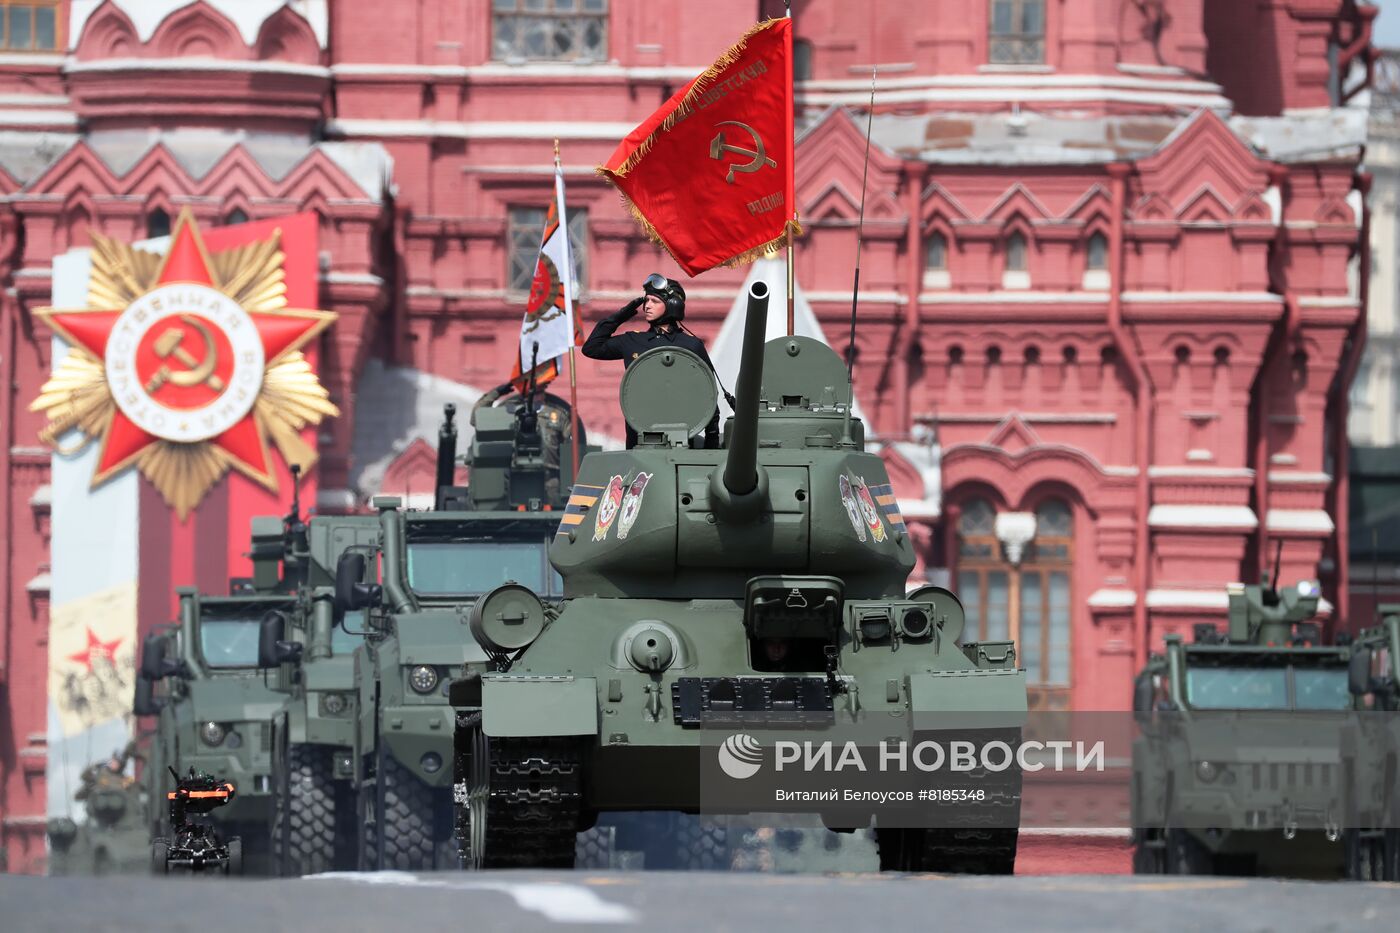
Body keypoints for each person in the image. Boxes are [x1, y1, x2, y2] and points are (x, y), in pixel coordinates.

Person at [581, 274, 722, 448]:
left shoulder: (691, 345)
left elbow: (708, 394)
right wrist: (622, 315)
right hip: (638, 443)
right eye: (646, 301)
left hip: (683, 442)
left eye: (654, 301)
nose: (647, 306)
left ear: (672, 306)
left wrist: (711, 445)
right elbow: (591, 348)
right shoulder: (632, 341)